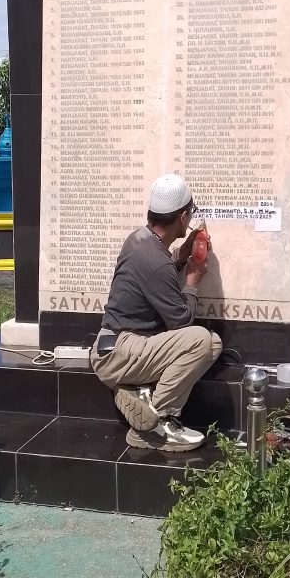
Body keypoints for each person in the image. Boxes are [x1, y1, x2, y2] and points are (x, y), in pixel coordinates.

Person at [90, 174, 222, 452]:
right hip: (118, 353)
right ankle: (155, 426)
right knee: (199, 339)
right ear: (183, 217)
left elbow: (155, 274)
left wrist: (181, 256)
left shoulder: (139, 240)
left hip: (117, 347)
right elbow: (181, 321)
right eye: (192, 212)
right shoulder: (155, 261)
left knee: (212, 344)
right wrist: (193, 281)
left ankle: (140, 393)